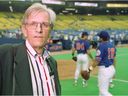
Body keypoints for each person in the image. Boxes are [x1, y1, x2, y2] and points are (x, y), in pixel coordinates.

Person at [0, 3, 61, 95]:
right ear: (24, 29)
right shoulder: (6, 55)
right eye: (33, 24)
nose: (39, 29)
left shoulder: (52, 62)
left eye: (44, 24)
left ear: (50, 30)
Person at [90, 31, 116, 96]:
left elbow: (97, 61)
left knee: (103, 92)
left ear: (102, 38)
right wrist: (114, 71)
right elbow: (114, 59)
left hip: (104, 70)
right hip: (111, 68)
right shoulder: (112, 45)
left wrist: (89, 69)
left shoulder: (101, 46)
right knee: (101, 92)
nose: (99, 38)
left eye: (99, 37)